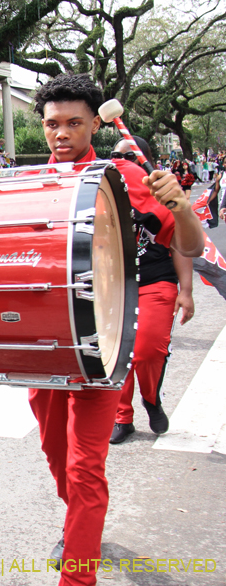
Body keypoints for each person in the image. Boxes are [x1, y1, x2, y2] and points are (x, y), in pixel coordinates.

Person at [30, 73, 203, 586]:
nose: (61, 133)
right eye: (52, 124)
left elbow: (188, 244)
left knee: (86, 468)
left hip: (105, 341)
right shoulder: (28, 184)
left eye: (74, 123)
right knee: (55, 454)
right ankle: (79, 520)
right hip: (49, 342)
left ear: (92, 126)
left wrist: (180, 204)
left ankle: (78, 572)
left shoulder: (122, 174)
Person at [109, 136, 195, 445]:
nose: (121, 161)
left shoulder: (163, 196)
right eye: (116, 155)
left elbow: (182, 244)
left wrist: (186, 291)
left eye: (130, 156)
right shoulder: (101, 193)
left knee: (145, 351)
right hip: (114, 288)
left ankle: (151, 399)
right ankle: (122, 417)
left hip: (156, 281)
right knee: (115, 355)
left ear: (147, 161)